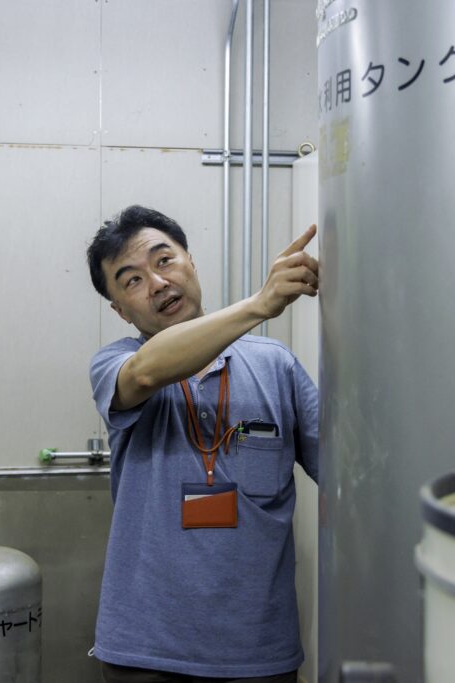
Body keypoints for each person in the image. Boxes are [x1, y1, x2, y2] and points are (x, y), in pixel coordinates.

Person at [86, 205, 320, 683]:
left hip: (257, 652)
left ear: (191, 261)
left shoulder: (275, 364)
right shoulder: (116, 364)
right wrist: (259, 304)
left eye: (164, 260)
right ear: (119, 309)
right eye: (130, 280)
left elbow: (349, 473)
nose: (156, 283)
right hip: (145, 653)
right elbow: (148, 372)